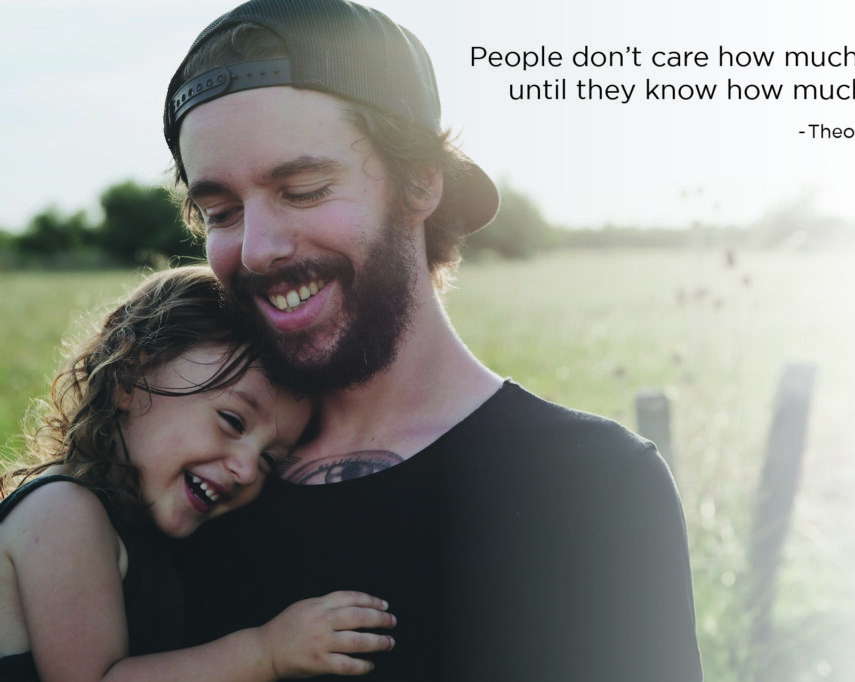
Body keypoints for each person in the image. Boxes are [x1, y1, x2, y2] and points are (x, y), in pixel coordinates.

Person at [165, 1, 704, 680]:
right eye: (221, 212)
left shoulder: (591, 484)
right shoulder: (191, 479)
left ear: (421, 182)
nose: (259, 249)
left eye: (302, 190)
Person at [0, 266, 397, 681]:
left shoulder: (133, 529)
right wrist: (268, 652)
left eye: (268, 460)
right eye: (232, 421)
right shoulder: (63, 512)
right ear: (129, 376)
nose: (246, 470)